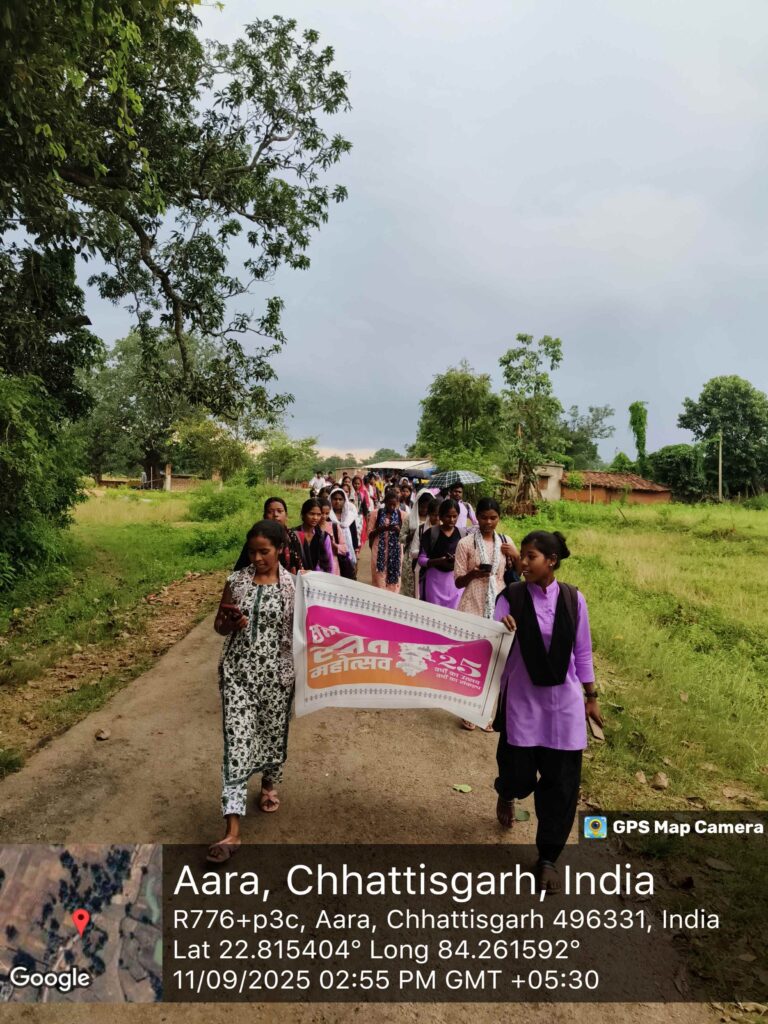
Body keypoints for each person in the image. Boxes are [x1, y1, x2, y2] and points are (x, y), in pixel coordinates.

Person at [494, 530, 602, 894]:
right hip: (522, 702)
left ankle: (547, 859)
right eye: (521, 556)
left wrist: (591, 696)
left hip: (564, 706)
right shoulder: (510, 597)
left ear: (551, 561)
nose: (522, 562)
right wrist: (501, 630)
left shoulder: (573, 599)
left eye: (531, 557)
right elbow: (488, 643)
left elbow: (582, 651)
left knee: (561, 785)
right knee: (518, 773)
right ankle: (507, 791)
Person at [209, 520, 296, 862]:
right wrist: (229, 623)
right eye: (252, 552)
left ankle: (269, 785)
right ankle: (232, 831)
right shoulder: (236, 582)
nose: (257, 558)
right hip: (238, 676)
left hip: (276, 678)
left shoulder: (293, 587)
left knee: (272, 735)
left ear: (280, 550)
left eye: (264, 552)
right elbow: (219, 626)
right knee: (237, 744)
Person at [454, 497, 520, 731]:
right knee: (472, 659)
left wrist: (516, 555)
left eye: (493, 518)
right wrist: (473, 574)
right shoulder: (466, 543)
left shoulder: (506, 542)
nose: (488, 522)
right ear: (477, 518)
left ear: (499, 518)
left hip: (499, 606)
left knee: (495, 662)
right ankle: (468, 709)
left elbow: (520, 573)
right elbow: (458, 581)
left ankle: (488, 712)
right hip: (473, 603)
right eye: (484, 517)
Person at [233, 497, 303, 575]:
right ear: (264, 516)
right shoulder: (257, 540)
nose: (275, 515)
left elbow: (301, 565)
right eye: (270, 512)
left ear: (286, 515)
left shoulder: (293, 537)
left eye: (280, 511)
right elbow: (239, 569)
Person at [417, 498, 465, 608]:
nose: (452, 520)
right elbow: (421, 559)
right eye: (448, 516)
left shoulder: (462, 535)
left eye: (455, 516)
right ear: (441, 516)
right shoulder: (430, 534)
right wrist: (439, 561)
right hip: (434, 582)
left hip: (455, 584)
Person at [368, 486, 406, 592]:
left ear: (398, 503)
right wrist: (382, 529)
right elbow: (370, 534)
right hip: (379, 551)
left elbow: (405, 537)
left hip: (396, 553)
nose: (392, 507)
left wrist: (398, 530)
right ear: (385, 502)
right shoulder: (376, 514)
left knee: (395, 579)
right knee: (379, 578)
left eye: (395, 505)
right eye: (390, 504)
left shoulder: (403, 515)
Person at [400, 488, 432, 599]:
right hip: (410, 558)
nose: (424, 510)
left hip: (427, 558)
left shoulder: (433, 519)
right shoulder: (409, 518)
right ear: (418, 505)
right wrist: (411, 536)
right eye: (422, 507)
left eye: (427, 507)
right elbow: (401, 537)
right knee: (410, 589)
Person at [295, 498, 334, 572]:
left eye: (318, 514)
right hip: (298, 576)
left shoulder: (324, 536)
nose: (315, 518)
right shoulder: (293, 534)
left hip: (318, 577)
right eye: (312, 514)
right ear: (303, 514)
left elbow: (330, 564)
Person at [329, 487, 358, 578]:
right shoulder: (327, 516)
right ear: (330, 500)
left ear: (344, 500)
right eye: (335, 499)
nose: (337, 501)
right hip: (332, 551)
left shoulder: (350, 516)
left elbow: (354, 534)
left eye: (340, 499)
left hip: (348, 551)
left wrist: (356, 551)